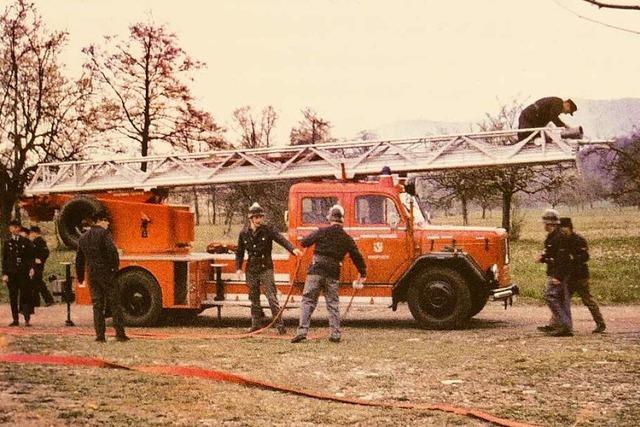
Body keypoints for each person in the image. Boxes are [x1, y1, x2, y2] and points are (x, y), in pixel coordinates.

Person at [291, 205, 367, 343]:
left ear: (330, 218)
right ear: (342, 220)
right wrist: (362, 273)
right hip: (333, 272)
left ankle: (302, 331)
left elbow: (304, 242)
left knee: (308, 301)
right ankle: (335, 334)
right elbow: (357, 256)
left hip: (316, 270)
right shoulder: (346, 238)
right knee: (333, 304)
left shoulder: (322, 231)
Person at [236, 203, 302, 334]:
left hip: (266, 267)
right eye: (257, 217)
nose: (260, 219)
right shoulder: (244, 233)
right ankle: (256, 325)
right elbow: (239, 252)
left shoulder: (268, 230)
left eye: (261, 217)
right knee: (253, 298)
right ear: (251, 218)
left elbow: (281, 239)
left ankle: (280, 326)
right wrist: (238, 268)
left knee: (272, 297)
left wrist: (293, 249)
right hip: (252, 269)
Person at [75, 211, 128, 342]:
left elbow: (79, 259)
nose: (108, 223)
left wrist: (81, 276)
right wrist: (114, 268)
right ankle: (120, 334)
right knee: (114, 302)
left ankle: (100, 335)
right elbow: (112, 252)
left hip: (91, 274)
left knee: (97, 304)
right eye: (106, 221)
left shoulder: (83, 238)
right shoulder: (104, 234)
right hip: (106, 273)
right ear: (100, 220)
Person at [559, 217, 606, 334]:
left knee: (588, 300)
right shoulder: (562, 241)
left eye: (562, 228)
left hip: (580, 276)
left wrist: (573, 258)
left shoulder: (579, 240)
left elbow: (585, 257)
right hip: (569, 276)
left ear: (568, 227)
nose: (560, 230)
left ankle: (600, 323)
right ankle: (557, 324)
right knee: (563, 301)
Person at [536, 209, 573, 337]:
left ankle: (564, 326)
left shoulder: (559, 237)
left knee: (550, 296)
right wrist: (543, 258)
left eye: (545, 222)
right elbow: (552, 254)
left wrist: (558, 276)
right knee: (562, 299)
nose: (544, 225)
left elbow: (563, 259)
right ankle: (562, 325)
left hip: (558, 272)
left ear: (550, 223)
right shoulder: (554, 236)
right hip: (556, 271)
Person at [2, 220, 35, 326]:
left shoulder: (25, 242)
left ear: (19, 228)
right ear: (10, 229)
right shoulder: (7, 243)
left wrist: (31, 268)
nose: (15, 229)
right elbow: (5, 259)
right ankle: (15, 319)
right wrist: (5, 274)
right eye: (13, 227)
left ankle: (26, 318)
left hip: (23, 273)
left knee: (25, 295)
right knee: (13, 296)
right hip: (12, 274)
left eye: (16, 227)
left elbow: (31, 257)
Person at [29, 226, 54, 307]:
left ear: (35, 233)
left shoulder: (40, 241)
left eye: (32, 233)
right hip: (33, 264)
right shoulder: (34, 241)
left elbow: (45, 252)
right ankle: (36, 302)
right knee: (34, 283)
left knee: (39, 282)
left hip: (38, 265)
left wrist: (40, 259)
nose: (31, 235)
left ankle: (49, 299)